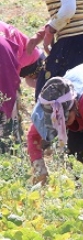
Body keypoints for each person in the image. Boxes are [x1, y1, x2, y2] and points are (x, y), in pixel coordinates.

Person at [0, 22, 45, 153]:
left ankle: (12, 146)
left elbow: (9, 89)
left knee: (8, 104)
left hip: (30, 62)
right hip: (22, 57)